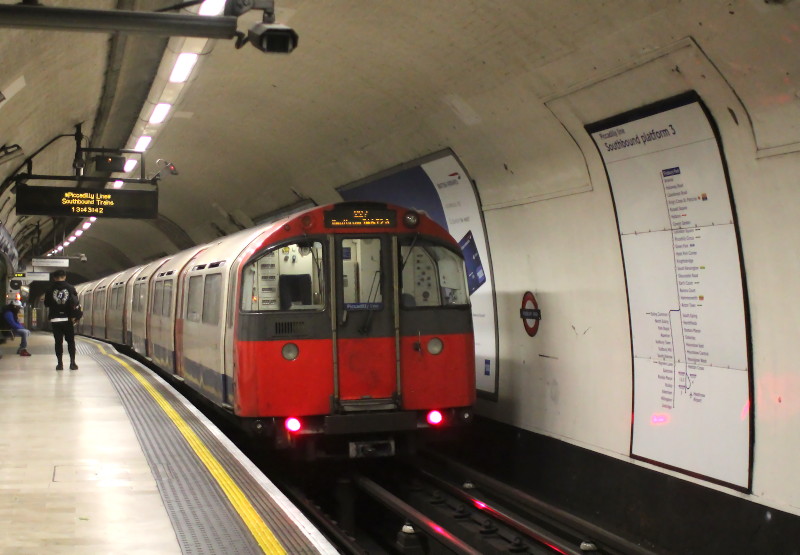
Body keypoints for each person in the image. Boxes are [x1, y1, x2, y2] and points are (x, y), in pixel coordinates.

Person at [44, 269, 79, 370]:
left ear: (54, 278)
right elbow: (75, 303)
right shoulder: (71, 288)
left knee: (58, 342)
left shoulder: (49, 289)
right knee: (71, 341)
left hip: (55, 319)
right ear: (65, 277)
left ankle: (60, 364)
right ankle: (72, 363)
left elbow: (46, 304)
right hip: (68, 319)